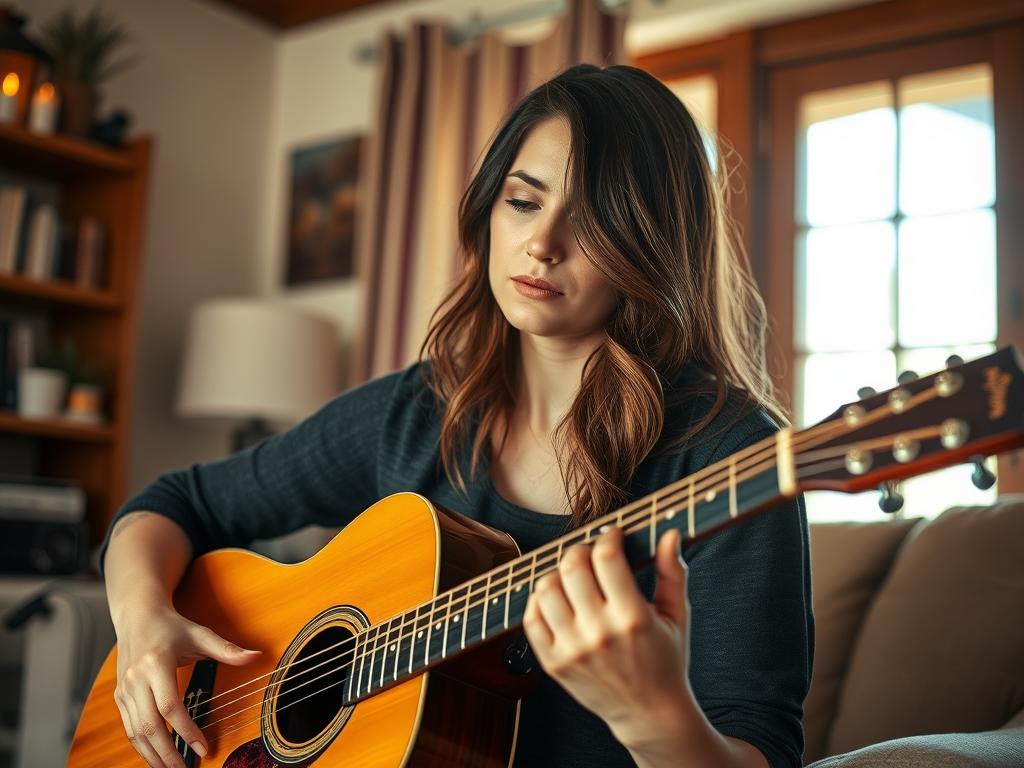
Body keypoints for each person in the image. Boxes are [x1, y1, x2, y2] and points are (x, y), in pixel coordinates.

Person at [101, 63, 813, 768]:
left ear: (652, 244)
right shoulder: (416, 413)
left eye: (593, 219)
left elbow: (763, 750)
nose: (542, 243)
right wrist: (143, 626)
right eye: (523, 201)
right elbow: (174, 504)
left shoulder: (731, 456)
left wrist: (653, 716)